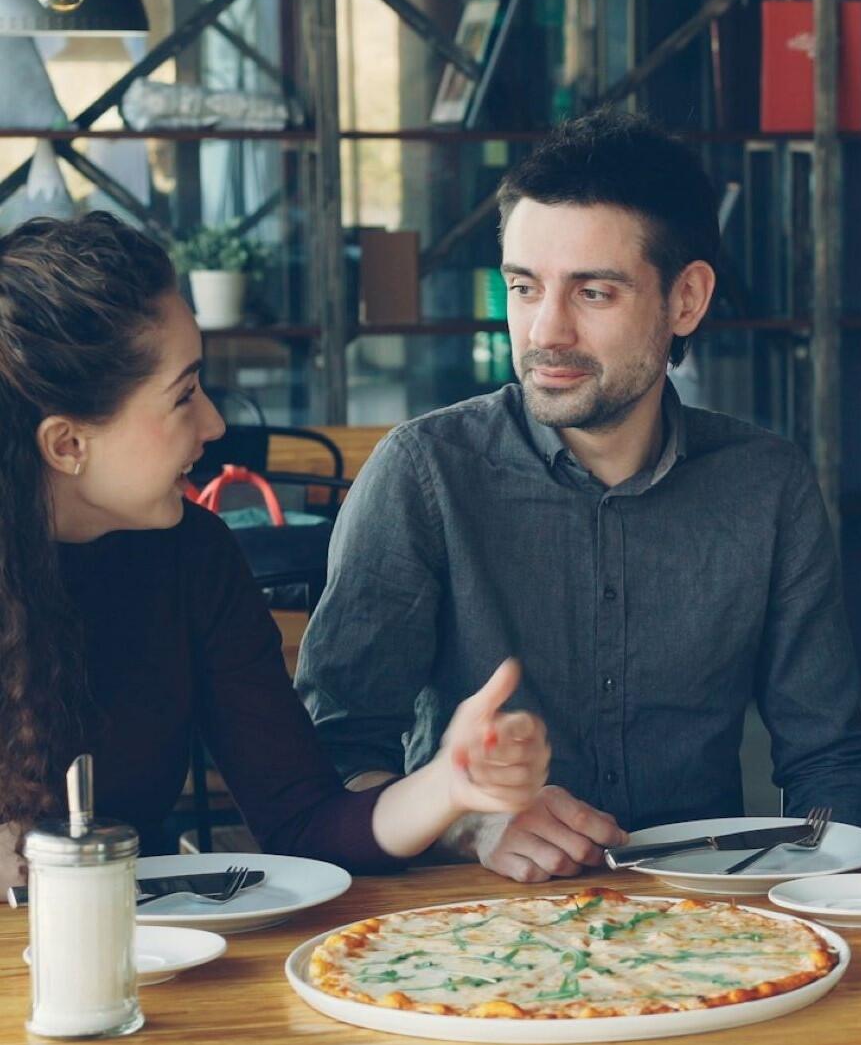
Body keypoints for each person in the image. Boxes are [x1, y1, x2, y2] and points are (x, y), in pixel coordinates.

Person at [296, 109, 861, 885]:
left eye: (595, 293)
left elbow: (828, 762)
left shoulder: (766, 486)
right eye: (523, 286)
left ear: (686, 301)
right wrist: (468, 822)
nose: (547, 331)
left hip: (707, 921)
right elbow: (331, 766)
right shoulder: (424, 475)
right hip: (469, 925)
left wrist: (829, 898)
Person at [0, 212, 551, 886]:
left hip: (136, 959)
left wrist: (449, 787)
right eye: (183, 395)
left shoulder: (193, 556)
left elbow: (305, 823)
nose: (215, 423)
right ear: (67, 445)